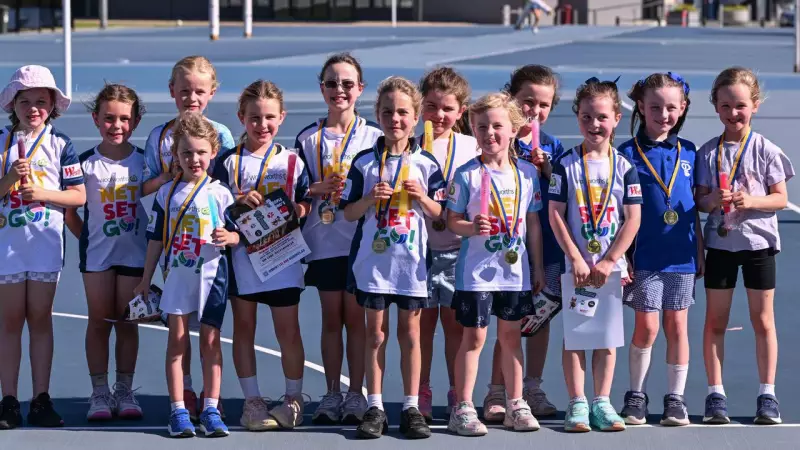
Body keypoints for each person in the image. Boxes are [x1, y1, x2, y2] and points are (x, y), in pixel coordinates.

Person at [340, 76, 445, 440]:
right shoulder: (365, 162)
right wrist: (369, 199)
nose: (395, 119)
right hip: (374, 264)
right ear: (378, 116)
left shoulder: (427, 163)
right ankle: (376, 406)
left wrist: (423, 198)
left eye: (402, 112)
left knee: (411, 334)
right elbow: (349, 213)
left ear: (416, 116)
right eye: (387, 112)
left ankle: (412, 405)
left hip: (412, 264)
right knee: (375, 335)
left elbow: (440, 215)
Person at [694, 67, 794, 425]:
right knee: (715, 321)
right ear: (716, 107)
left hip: (758, 246)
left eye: (740, 105)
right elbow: (701, 202)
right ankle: (714, 394)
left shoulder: (766, 149)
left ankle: (767, 394)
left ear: (754, 105)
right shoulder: (707, 153)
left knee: (762, 320)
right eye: (725, 106)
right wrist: (713, 201)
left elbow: (780, 199)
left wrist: (750, 201)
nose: (733, 113)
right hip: (721, 247)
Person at [213, 80, 312, 431]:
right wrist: (237, 201)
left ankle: (293, 399)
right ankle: (252, 402)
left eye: (270, 117)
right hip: (244, 261)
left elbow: (305, 203)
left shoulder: (293, 161)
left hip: (283, 258)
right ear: (241, 117)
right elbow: (214, 207)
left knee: (289, 331)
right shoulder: (227, 163)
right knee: (244, 328)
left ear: (282, 117)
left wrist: (292, 210)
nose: (262, 125)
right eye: (254, 117)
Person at [141, 55, 235, 421]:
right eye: (184, 91)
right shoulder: (159, 137)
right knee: (178, 340)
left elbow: (226, 194)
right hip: (177, 263)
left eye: (199, 91)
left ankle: (211, 402)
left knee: (210, 339)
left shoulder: (222, 136)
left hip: (211, 265)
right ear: (172, 92)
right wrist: (169, 179)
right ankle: (185, 399)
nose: (191, 98)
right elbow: (145, 188)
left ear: (211, 92)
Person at [445, 92, 544, 436]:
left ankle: (516, 404)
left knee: (511, 338)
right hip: (476, 272)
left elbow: (532, 224)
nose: (490, 133)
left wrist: (539, 266)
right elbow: (452, 219)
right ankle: (464, 407)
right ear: (472, 128)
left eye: (497, 126)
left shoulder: (528, 174)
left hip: (514, 272)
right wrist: (471, 228)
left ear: (514, 130)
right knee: (474, 338)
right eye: (482, 126)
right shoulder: (466, 175)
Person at [548, 77, 642, 432]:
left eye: (601, 117)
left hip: (609, 269)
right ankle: (577, 402)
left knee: (605, 337)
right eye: (586, 117)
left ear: (617, 118)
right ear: (578, 119)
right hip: (576, 267)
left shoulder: (624, 167)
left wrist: (609, 260)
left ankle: (602, 401)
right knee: (575, 336)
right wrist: (574, 256)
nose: (594, 125)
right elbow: (556, 213)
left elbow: (632, 218)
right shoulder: (565, 165)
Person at [295, 53, 381, 424]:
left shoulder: (375, 136)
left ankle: (356, 393)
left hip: (361, 242)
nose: (339, 90)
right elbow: (296, 191)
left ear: (360, 89)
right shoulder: (306, 138)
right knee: (332, 319)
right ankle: (331, 393)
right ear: (322, 88)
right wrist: (316, 189)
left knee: (357, 320)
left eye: (347, 83)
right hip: (323, 241)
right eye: (332, 83)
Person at [0, 65, 85, 429]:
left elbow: (78, 196)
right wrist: (10, 179)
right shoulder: (1, 140)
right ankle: (8, 400)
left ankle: (41, 398)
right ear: (13, 104)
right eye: (25, 101)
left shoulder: (60, 144)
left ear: (52, 104)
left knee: (40, 321)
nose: (33, 108)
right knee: (9, 323)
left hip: (46, 244)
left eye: (40, 101)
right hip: (8, 246)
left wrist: (44, 194)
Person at [616, 72, 701, 427]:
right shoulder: (624, 154)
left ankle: (675, 399)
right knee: (647, 328)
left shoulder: (690, 151)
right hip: (643, 257)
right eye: (655, 107)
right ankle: (636, 395)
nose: (663, 115)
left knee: (677, 325)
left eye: (671, 108)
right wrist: (620, 257)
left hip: (681, 257)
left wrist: (703, 253)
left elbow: (695, 204)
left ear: (682, 108)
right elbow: (614, 210)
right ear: (640, 107)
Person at [483, 64, 564, 422]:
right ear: (512, 98)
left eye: (543, 104)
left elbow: (568, 195)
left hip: (543, 246)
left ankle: (532, 386)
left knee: (540, 318)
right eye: (527, 101)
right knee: (507, 321)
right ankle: (497, 390)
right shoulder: (496, 138)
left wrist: (547, 170)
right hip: (500, 251)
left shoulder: (554, 147)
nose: (534, 110)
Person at [64, 83, 148, 422]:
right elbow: (71, 213)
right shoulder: (85, 165)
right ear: (96, 119)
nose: (117, 126)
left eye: (124, 119)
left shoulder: (145, 164)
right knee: (98, 322)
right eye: (109, 118)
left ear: (136, 121)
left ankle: (124, 389)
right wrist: (88, 239)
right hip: (97, 258)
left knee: (128, 323)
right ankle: (99, 392)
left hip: (135, 257)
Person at [416, 66, 478, 421]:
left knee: (456, 327)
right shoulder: (408, 142)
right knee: (421, 328)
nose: (438, 115)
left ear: (461, 112)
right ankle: (422, 390)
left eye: (447, 109)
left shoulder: (470, 146)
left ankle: (457, 393)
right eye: (431, 106)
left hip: (457, 250)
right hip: (417, 251)